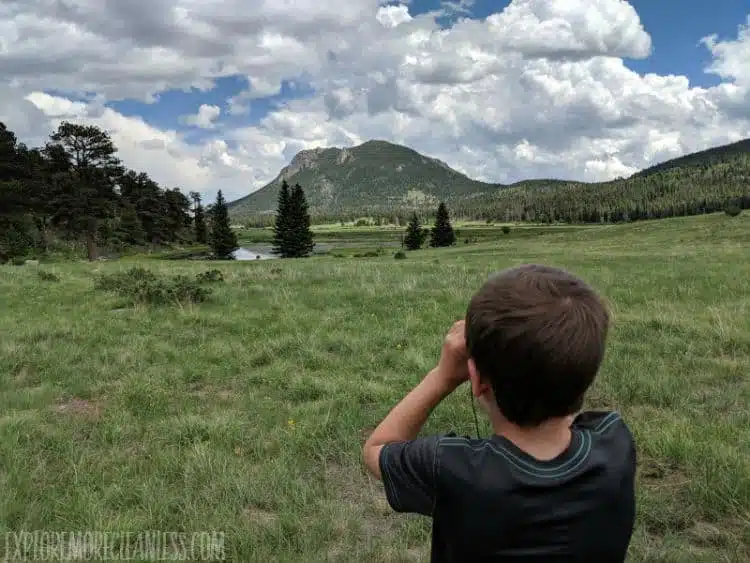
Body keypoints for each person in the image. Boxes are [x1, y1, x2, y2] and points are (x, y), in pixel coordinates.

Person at [362, 264, 636, 562]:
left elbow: (377, 449)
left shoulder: (452, 469)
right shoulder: (615, 443)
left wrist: (443, 376)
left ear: (477, 382)